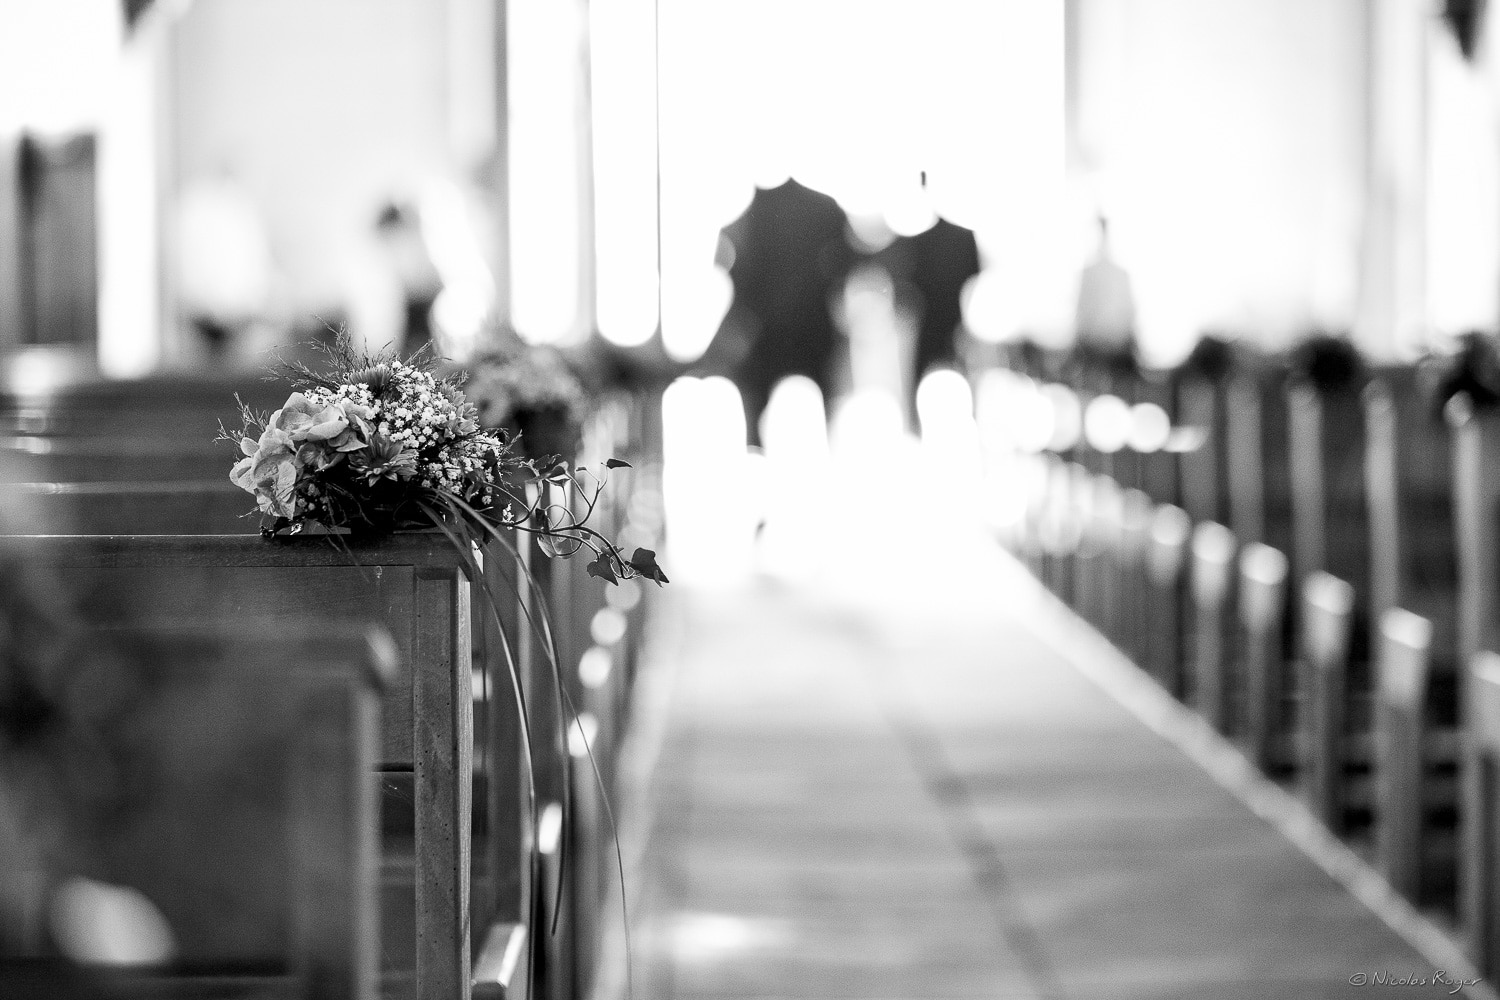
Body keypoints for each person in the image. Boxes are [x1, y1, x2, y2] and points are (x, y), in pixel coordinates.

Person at [702, 176, 855, 446]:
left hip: (771, 327)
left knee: (757, 404)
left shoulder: (756, 215)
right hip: (807, 324)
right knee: (819, 401)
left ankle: (755, 450)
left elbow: (730, 265)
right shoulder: (824, 209)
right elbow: (844, 264)